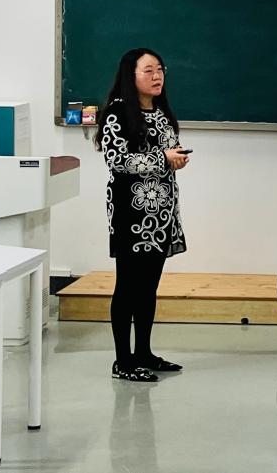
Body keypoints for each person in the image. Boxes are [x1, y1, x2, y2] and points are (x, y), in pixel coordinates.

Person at [94, 48, 189, 382]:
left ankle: (144, 353)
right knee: (128, 286)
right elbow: (118, 161)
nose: (157, 76)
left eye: (160, 69)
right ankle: (123, 361)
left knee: (148, 287)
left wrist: (176, 158)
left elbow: (165, 152)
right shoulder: (117, 113)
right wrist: (163, 159)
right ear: (130, 75)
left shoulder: (161, 112)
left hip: (161, 214)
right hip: (131, 214)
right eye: (148, 70)